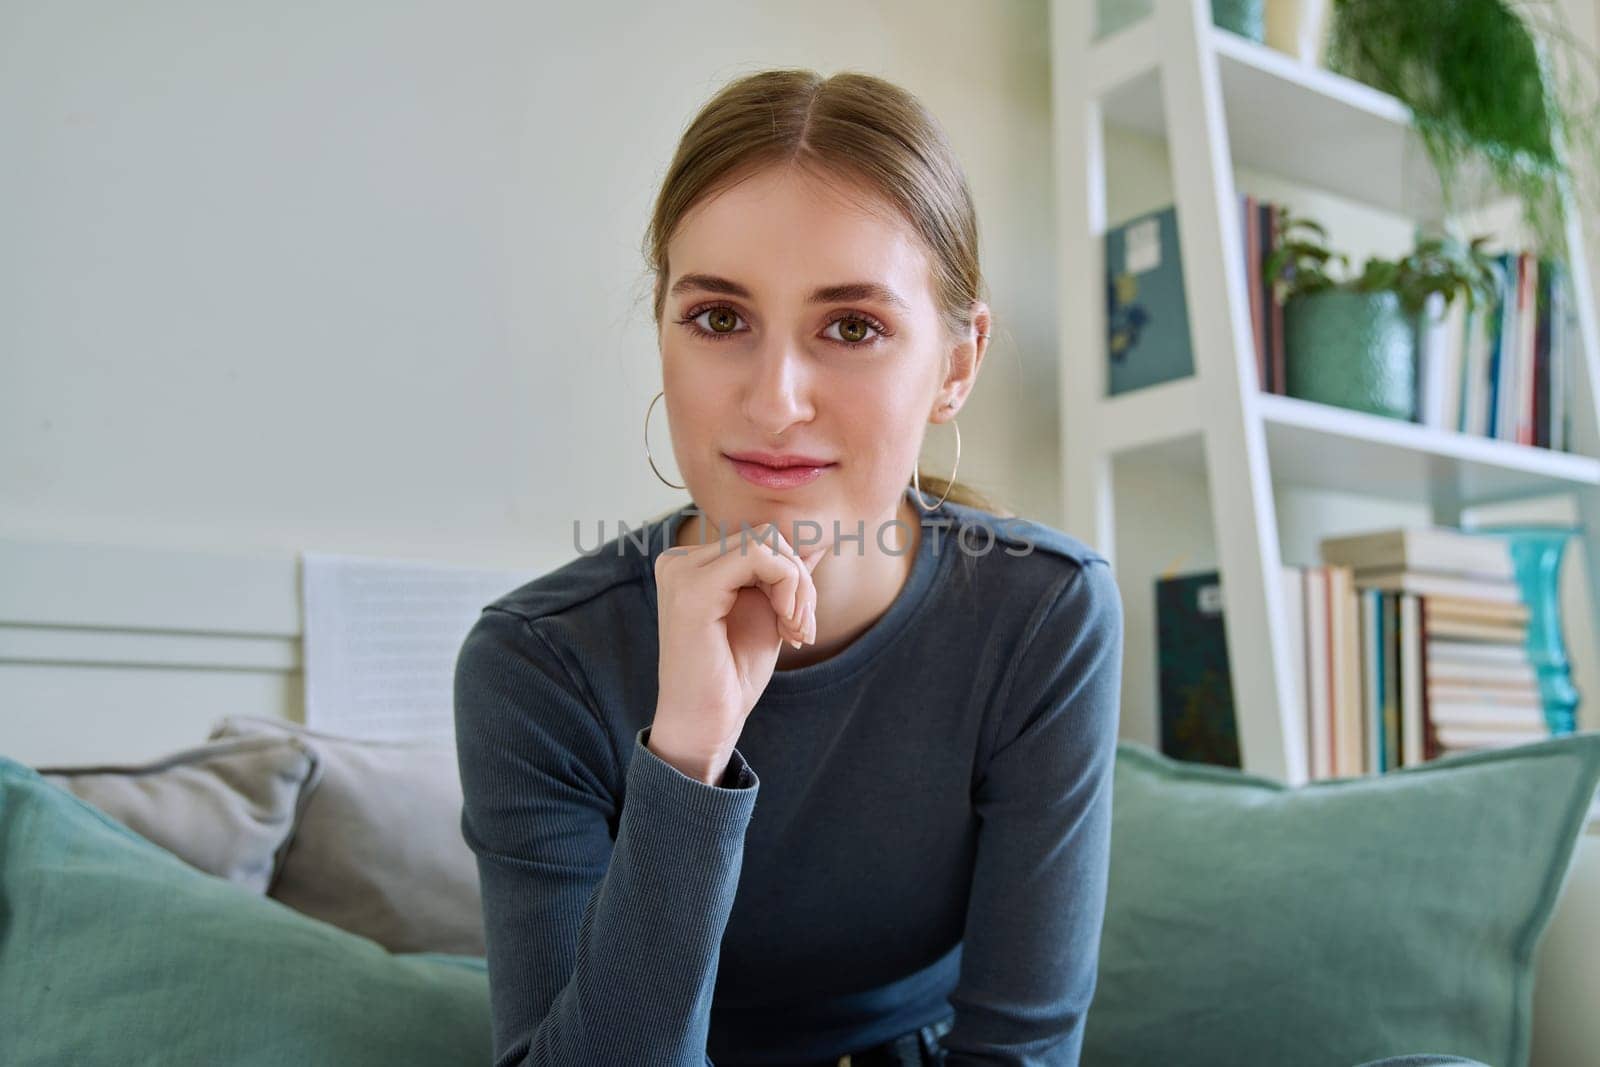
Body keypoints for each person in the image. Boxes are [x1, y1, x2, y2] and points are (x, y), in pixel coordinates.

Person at [453, 68, 1124, 1067]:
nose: (773, 402)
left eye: (851, 327)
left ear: (956, 361)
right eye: (719, 318)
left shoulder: (1045, 614)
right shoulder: (537, 661)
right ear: (664, 331)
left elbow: (1019, 1051)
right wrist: (686, 758)